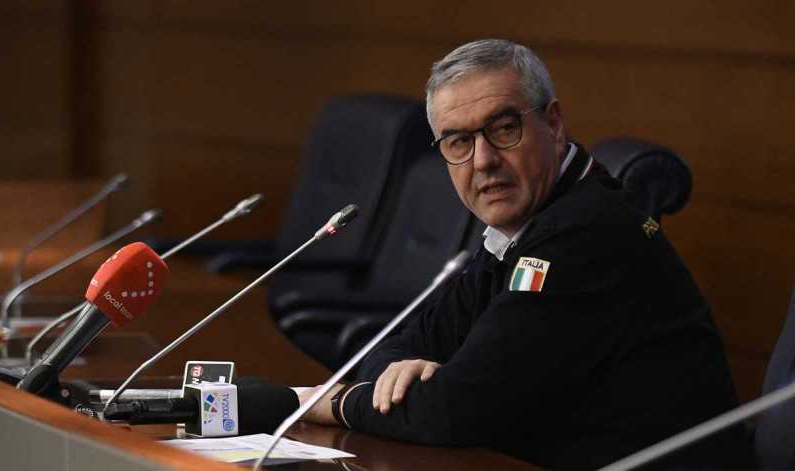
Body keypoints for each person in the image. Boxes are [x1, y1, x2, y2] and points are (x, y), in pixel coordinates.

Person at [298, 39, 753, 469]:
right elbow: (401, 343)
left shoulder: (584, 236)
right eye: (458, 142)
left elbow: (455, 411)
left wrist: (334, 402)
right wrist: (396, 374)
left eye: (503, 129)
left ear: (552, 125)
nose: (482, 160)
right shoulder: (521, 226)